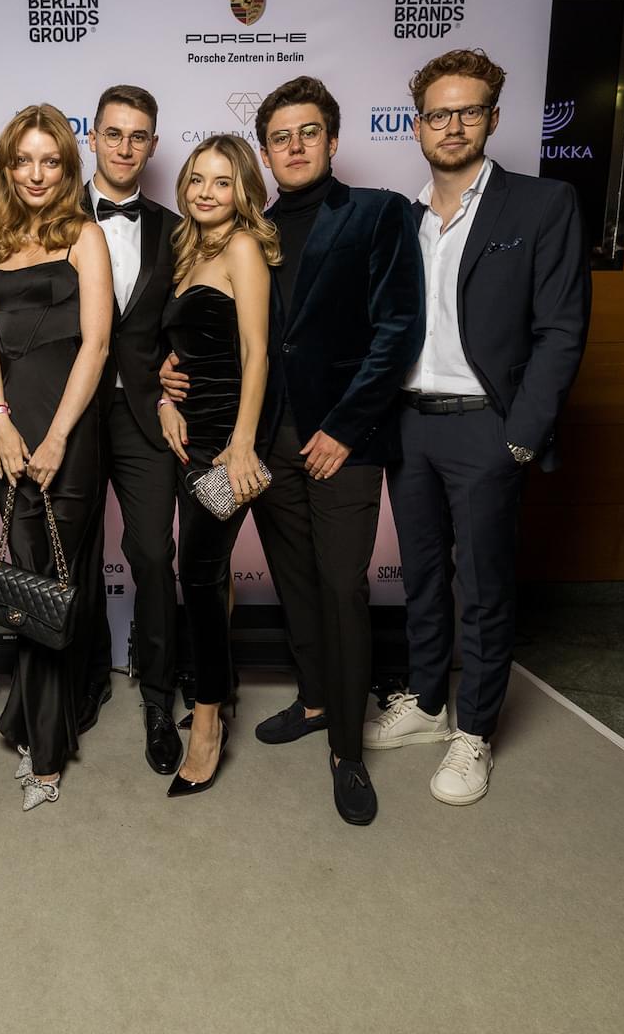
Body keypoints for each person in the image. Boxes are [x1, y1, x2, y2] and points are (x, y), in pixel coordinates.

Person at [165, 76, 423, 827]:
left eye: (309, 132)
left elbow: (397, 328)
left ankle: (347, 748)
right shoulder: (255, 229)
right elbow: (238, 340)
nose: (296, 146)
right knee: (295, 580)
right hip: (263, 444)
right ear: (267, 153)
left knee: (342, 587)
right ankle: (313, 701)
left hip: (342, 440)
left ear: (333, 140)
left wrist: (345, 427)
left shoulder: (377, 212)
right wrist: (169, 376)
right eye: (281, 137)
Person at [365, 49, 590, 806]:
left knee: (485, 588)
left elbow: (562, 329)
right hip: (408, 423)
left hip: (485, 427)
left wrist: (521, 434)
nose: (452, 126)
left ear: (493, 118)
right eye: (438, 114)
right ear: (417, 126)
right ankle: (429, 703)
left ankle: (476, 731)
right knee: (422, 576)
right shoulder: (400, 218)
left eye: (468, 111)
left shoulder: (541, 204)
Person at [0, 103, 112, 811]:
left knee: (53, 579)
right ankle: (37, 717)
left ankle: (47, 749)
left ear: (66, 167)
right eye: (23, 160)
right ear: (7, 167)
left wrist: (57, 436)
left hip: (69, 432)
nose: (35, 174)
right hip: (8, 431)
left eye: (49, 161)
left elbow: (97, 343)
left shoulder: (85, 236)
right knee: (27, 581)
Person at [155, 135, 279, 797]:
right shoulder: (189, 249)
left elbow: (256, 353)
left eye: (222, 182)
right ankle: (220, 692)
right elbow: (190, 350)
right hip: (191, 437)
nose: (206, 192)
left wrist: (242, 444)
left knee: (199, 578)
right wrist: (164, 393)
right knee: (212, 574)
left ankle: (206, 724)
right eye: (198, 179)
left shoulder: (241, 248)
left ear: (242, 191)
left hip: (225, 442)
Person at [81, 84, 183, 774]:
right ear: (91, 137)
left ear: (152, 145)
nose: (124, 147)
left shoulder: (176, 228)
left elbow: (201, 311)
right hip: (71, 410)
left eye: (138, 135)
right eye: (113, 133)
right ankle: (83, 681)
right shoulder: (51, 217)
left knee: (151, 554)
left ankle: (157, 696)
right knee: (77, 554)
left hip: (148, 412)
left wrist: (182, 370)